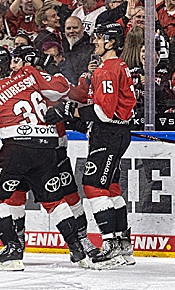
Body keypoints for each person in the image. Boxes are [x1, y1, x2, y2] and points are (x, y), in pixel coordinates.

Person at [0, 46, 95, 271]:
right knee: (54, 201)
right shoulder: (29, 75)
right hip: (47, 146)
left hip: (17, 148)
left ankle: (12, 251)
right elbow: (58, 89)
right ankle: (77, 249)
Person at [45, 22, 136, 267]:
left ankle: (109, 245)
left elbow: (103, 113)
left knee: (94, 186)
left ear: (111, 42)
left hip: (107, 134)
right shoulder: (117, 66)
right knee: (111, 188)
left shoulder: (107, 70)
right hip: (116, 133)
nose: (95, 42)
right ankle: (122, 244)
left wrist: (70, 111)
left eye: (99, 38)